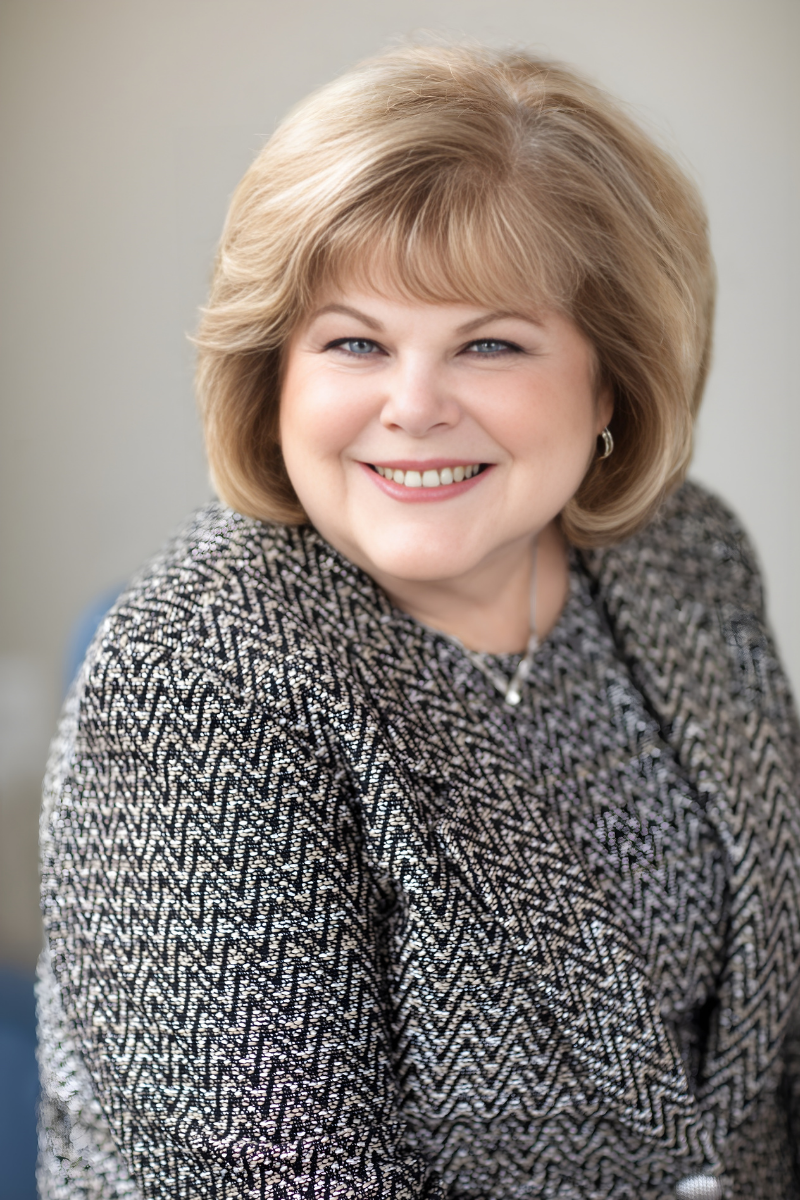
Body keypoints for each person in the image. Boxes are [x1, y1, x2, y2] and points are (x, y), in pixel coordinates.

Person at [37, 42, 800, 1200]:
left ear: (609, 382)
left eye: (488, 343)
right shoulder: (196, 678)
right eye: (353, 342)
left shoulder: (683, 553)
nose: (413, 407)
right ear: (273, 376)